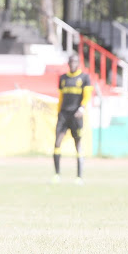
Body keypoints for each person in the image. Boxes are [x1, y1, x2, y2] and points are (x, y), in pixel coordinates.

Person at [52, 53, 92, 184]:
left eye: (75, 62)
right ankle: (57, 175)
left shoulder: (84, 78)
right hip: (64, 115)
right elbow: (61, 97)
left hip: (76, 116)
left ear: (78, 63)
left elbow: (87, 96)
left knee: (78, 144)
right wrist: (58, 112)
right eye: (71, 62)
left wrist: (82, 108)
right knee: (57, 142)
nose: (72, 64)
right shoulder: (63, 78)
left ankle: (79, 177)